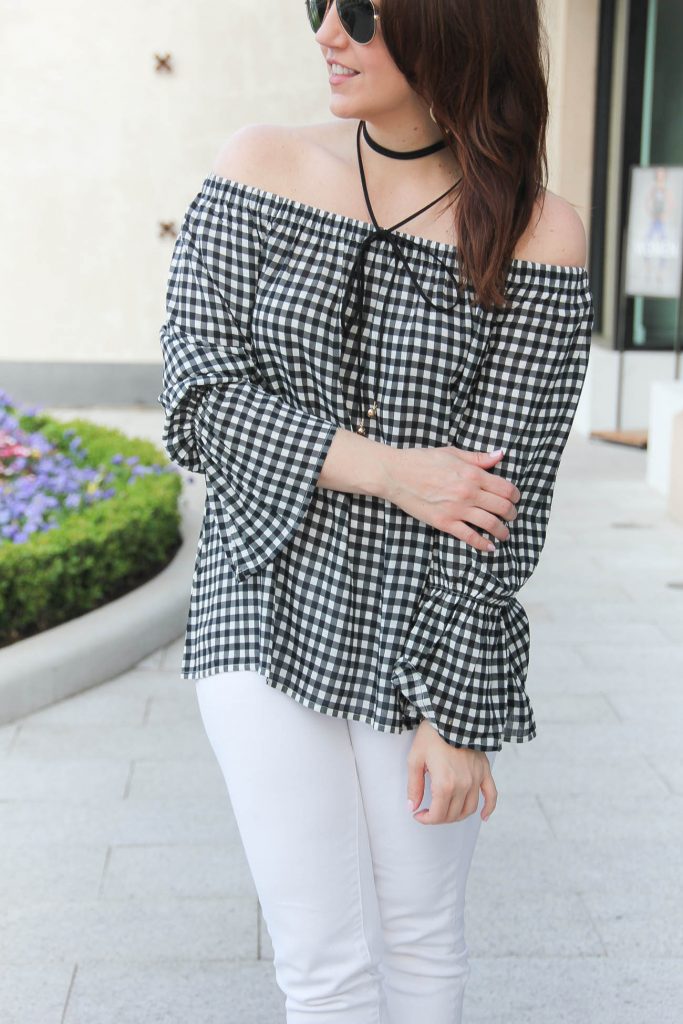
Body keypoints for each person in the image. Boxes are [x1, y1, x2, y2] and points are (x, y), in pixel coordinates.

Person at [157, 1, 594, 1020]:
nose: (327, 34)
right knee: (322, 963)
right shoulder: (259, 166)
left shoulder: (539, 230)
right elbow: (199, 398)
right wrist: (394, 471)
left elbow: (501, 510)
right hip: (258, 601)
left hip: (422, 627)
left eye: (362, 13)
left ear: (454, 25)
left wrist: (459, 710)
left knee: (421, 945)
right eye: (318, 7)